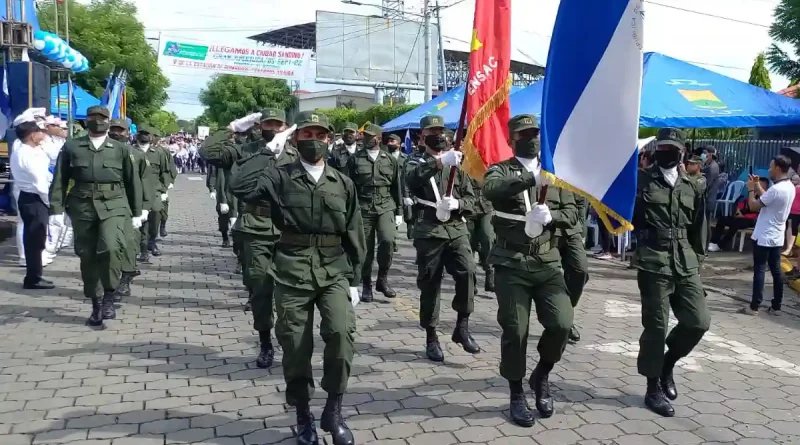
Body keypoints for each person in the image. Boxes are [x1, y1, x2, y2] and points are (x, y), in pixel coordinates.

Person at [244, 111, 365, 445]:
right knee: (296, 345)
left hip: (333, 270)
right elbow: (243, 188)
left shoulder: (342, 183)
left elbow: (355, 231)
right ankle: (302, 414)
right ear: (296, 139)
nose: (314, 141)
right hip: (291, 269)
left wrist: (356, 279)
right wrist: (267, 151)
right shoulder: (280, 176)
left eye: (321, 135)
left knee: (341, 334)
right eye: (307, 134)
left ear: (330, 139)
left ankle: (334, 409)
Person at [483, 114, 577, 427]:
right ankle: (515, 393)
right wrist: (530, 179)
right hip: (511, 263)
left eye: (536, 133)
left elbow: (574, 213)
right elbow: (492, 190)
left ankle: (542, 375)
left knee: (562, 323)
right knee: (515, 329)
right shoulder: (502, 169)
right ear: (513, 139)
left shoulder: (556, 172)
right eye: (525, 134)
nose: (532, 138)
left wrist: (553, 216)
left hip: (548, 262)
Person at [633, 128, 709, 418]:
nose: (667, 152)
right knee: (655, 327)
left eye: (672, 149)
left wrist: (697, 260)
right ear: (656, 150)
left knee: (698, 321)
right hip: (654, 261)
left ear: (682, 150)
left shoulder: (693, 185)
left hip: (686, 262)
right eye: (662, 148)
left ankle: (668, 363)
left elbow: (700, 226)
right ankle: (653, 387)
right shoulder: (640, 181)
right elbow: (623, 216)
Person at [49, 105, 143, 327]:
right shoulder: (72, 147)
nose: (98, 121)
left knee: (111, 248)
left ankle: (110, 295)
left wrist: (138, 212)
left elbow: (133, 182)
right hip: (82, 206)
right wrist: (56, 209)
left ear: (109, 122)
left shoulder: (120, 150)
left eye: (102, 118)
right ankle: (97, 303)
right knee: (87, 255)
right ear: (86, 121)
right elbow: (60, 180)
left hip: (115, 204)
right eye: (93, 117)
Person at [405, 115, 479, 362]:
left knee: (467, 273)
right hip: (429, 230)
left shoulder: (457, 164)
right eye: (432, 131)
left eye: (441, 130)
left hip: (457, 228)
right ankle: (431, 336)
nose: (438, 135)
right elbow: (412, 179)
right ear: (422, 136)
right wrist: (438, 163)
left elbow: (475, 200)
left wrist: (459, 203)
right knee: (430, 284)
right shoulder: (414, 161)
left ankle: (462, 326)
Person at [230, 108, 298, 369]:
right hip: (255, 227)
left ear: (285, 127)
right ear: (259, 127)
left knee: (291, 289)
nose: (272, 128)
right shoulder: (248, 152)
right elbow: (211, 155)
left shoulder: (296, 153)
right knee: (260, 287)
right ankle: (265, 341)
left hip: (288, 228)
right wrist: (233, 128)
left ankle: (289, 337)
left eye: (277, 124)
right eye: (267, 124)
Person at [346, 123, 402, 302]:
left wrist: (400, 210)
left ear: (379, 138)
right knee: (366, 249)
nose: (367, 139)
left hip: (386, 205)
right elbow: (350, 187)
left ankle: (382, 280)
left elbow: (396, 186)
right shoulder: (355, 159)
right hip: (363, 207)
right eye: (365, 136)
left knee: (388, 241)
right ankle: (366, 285)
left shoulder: (389, 159)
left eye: (371, 136)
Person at [739, 155, 795, 316]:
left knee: (760, 270)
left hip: (765, 235)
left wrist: (750, 190)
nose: (769, 170)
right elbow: (768, 198)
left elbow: (754, 206)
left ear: (778, 168)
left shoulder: (777, 189)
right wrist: (757, 185)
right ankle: (776, 305)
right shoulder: (788, 186)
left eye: (771, 167)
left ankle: (754, 306)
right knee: (776, 270)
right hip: (777, 236)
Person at [108, 119, 149, 298]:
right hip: (103, 203)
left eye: (121, 130)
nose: (117, 133)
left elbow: (143, 182)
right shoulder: (99, 152)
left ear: (127, 133)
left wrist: (143, 208)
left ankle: (125, 278)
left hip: (127, 204)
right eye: (113, 130)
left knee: (129, 242)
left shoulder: (136, 155)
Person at [11, 120, 54, 289]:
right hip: (34, 198)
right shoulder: (27, 154)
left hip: (30, 197)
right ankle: (33, 278)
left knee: (35, 239)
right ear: (31, 134)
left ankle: (34, 275)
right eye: (39, 131)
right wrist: (48, 202)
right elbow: (39, 183)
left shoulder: (27, 150)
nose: (42, 133)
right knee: (35, 240)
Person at [132, 126, 172, 264]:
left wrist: (164, 190)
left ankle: (152, 241)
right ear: (137, 136)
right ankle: (143, 250)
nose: (143, 136)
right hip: (136, 191)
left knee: (155, 214)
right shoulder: (130, 151)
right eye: (141, 134)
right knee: (139, 220)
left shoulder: (158, 153)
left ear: (151, 137)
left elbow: (165, 172)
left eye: (146, 134)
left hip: (154, 191)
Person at [707, 178, 766, 252]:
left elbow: (758, 214)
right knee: (722, 219)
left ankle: (720, 245)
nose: (756, 185)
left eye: (759, 184)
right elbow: (743, 202)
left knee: (736, 224)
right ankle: (713, 241)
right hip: (741, 217)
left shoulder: (764, 198)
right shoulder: (752, 194)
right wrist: (738, 210)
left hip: (751, 220)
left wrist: (743, 216)